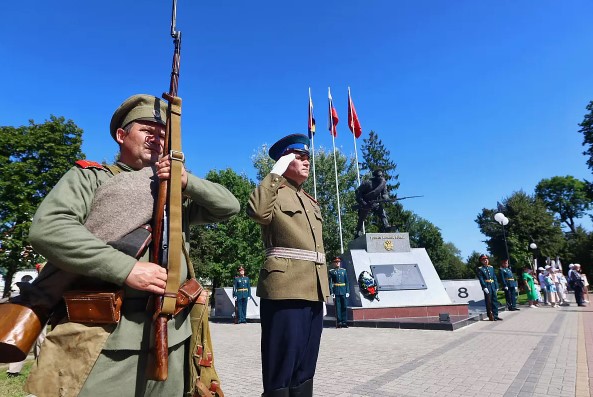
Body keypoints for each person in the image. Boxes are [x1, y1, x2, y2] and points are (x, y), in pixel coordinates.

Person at [24, 94, 240, 397]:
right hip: (105, 337)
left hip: (174, 335)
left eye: (163, 133)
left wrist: (187, 181)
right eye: (147, 130)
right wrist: (126, 269)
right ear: (121, 136)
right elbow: (49, 229)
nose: (157, 137)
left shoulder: (176, 190)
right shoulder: (91, 178)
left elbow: (229, 207)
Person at [247, 133, 329, 397]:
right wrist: (275, 173)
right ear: (285, 160)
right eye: (300, 157)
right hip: (285, 289)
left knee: (305, 368)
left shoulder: (309, 200)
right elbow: (257, 212)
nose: (307, 162)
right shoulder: (273, 192)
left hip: (313, 290)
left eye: (308, 158)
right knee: (281, 368)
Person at [353, 169, 391, 238]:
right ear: (375, 177)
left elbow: (385, 194)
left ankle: (386, 226)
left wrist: (386, 199)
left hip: (375, 202)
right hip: (366, 203)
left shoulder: (382, 184)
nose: (381, 177)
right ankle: (358, 231)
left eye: (381, 176)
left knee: (382, 212)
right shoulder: (368, 183)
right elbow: (358, 192)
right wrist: (362, 202)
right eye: (379, 176)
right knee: (362, 217)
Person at [476, 254, 502, 321]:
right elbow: (481, 279)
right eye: (484, 260)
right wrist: (484, 287)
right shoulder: (480, 269)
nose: (486, 261)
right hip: (487, 286)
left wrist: (496, 286)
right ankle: (490, 315)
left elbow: (494, 277)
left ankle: (496, 315)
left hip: (492, 285)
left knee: (495, 301)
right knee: (489, 302)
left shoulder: (491, 268)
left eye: (486, 259)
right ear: (481, 261)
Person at [328, 257, 350, 328]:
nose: (337, 263)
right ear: (334, 263)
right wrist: (332, 292)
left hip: (343, 291)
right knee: (338, 308)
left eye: (338, 262)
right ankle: (339, 322)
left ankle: (344, 322)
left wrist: (347, 291)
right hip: (336, 291)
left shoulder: (344, 271)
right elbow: (331, 283)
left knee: (344, 306)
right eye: (336, 262)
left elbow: (346, 282)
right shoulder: (331, 271)